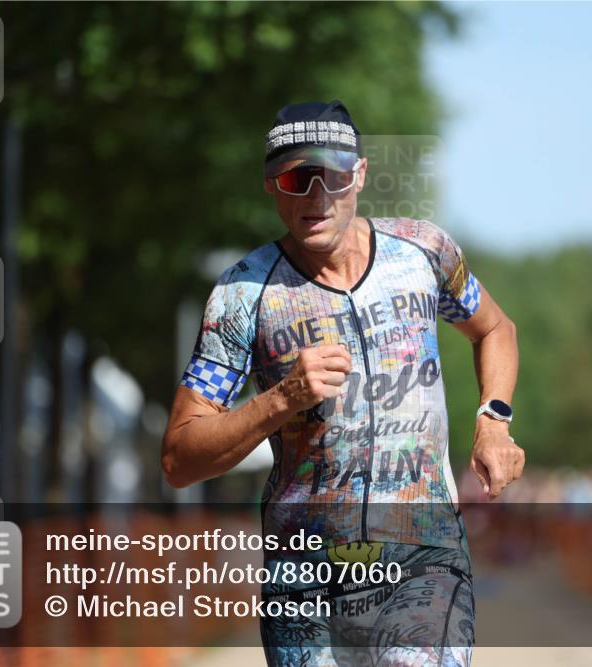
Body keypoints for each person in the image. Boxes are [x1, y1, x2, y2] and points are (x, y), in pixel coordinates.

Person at [162, 100, 523, 666]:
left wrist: (493, 421)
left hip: (421, 553)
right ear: (271, 185)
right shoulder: (242, 294)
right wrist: (283, 397)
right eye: (294, 177)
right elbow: (179, 458)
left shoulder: (423, 252)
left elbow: (495, 328)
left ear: (359, 173)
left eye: (329, 174)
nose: (314, 196)